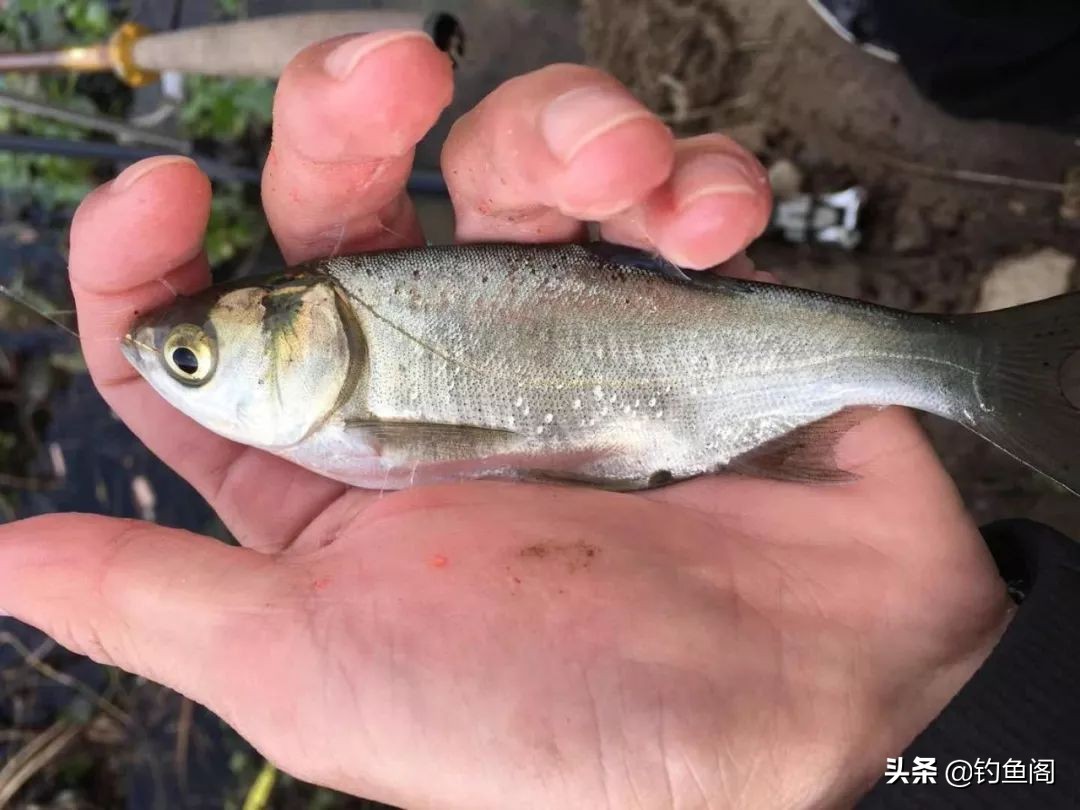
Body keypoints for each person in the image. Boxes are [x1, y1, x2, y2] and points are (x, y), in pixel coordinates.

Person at [0, 30, 1077, 809]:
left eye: (194, 359)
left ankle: (963, 368)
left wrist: (940, 701)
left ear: (305, 333)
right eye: (194, 359)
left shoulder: (352, 420)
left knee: (634, 179)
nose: (175, 366)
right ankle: (969, 368)